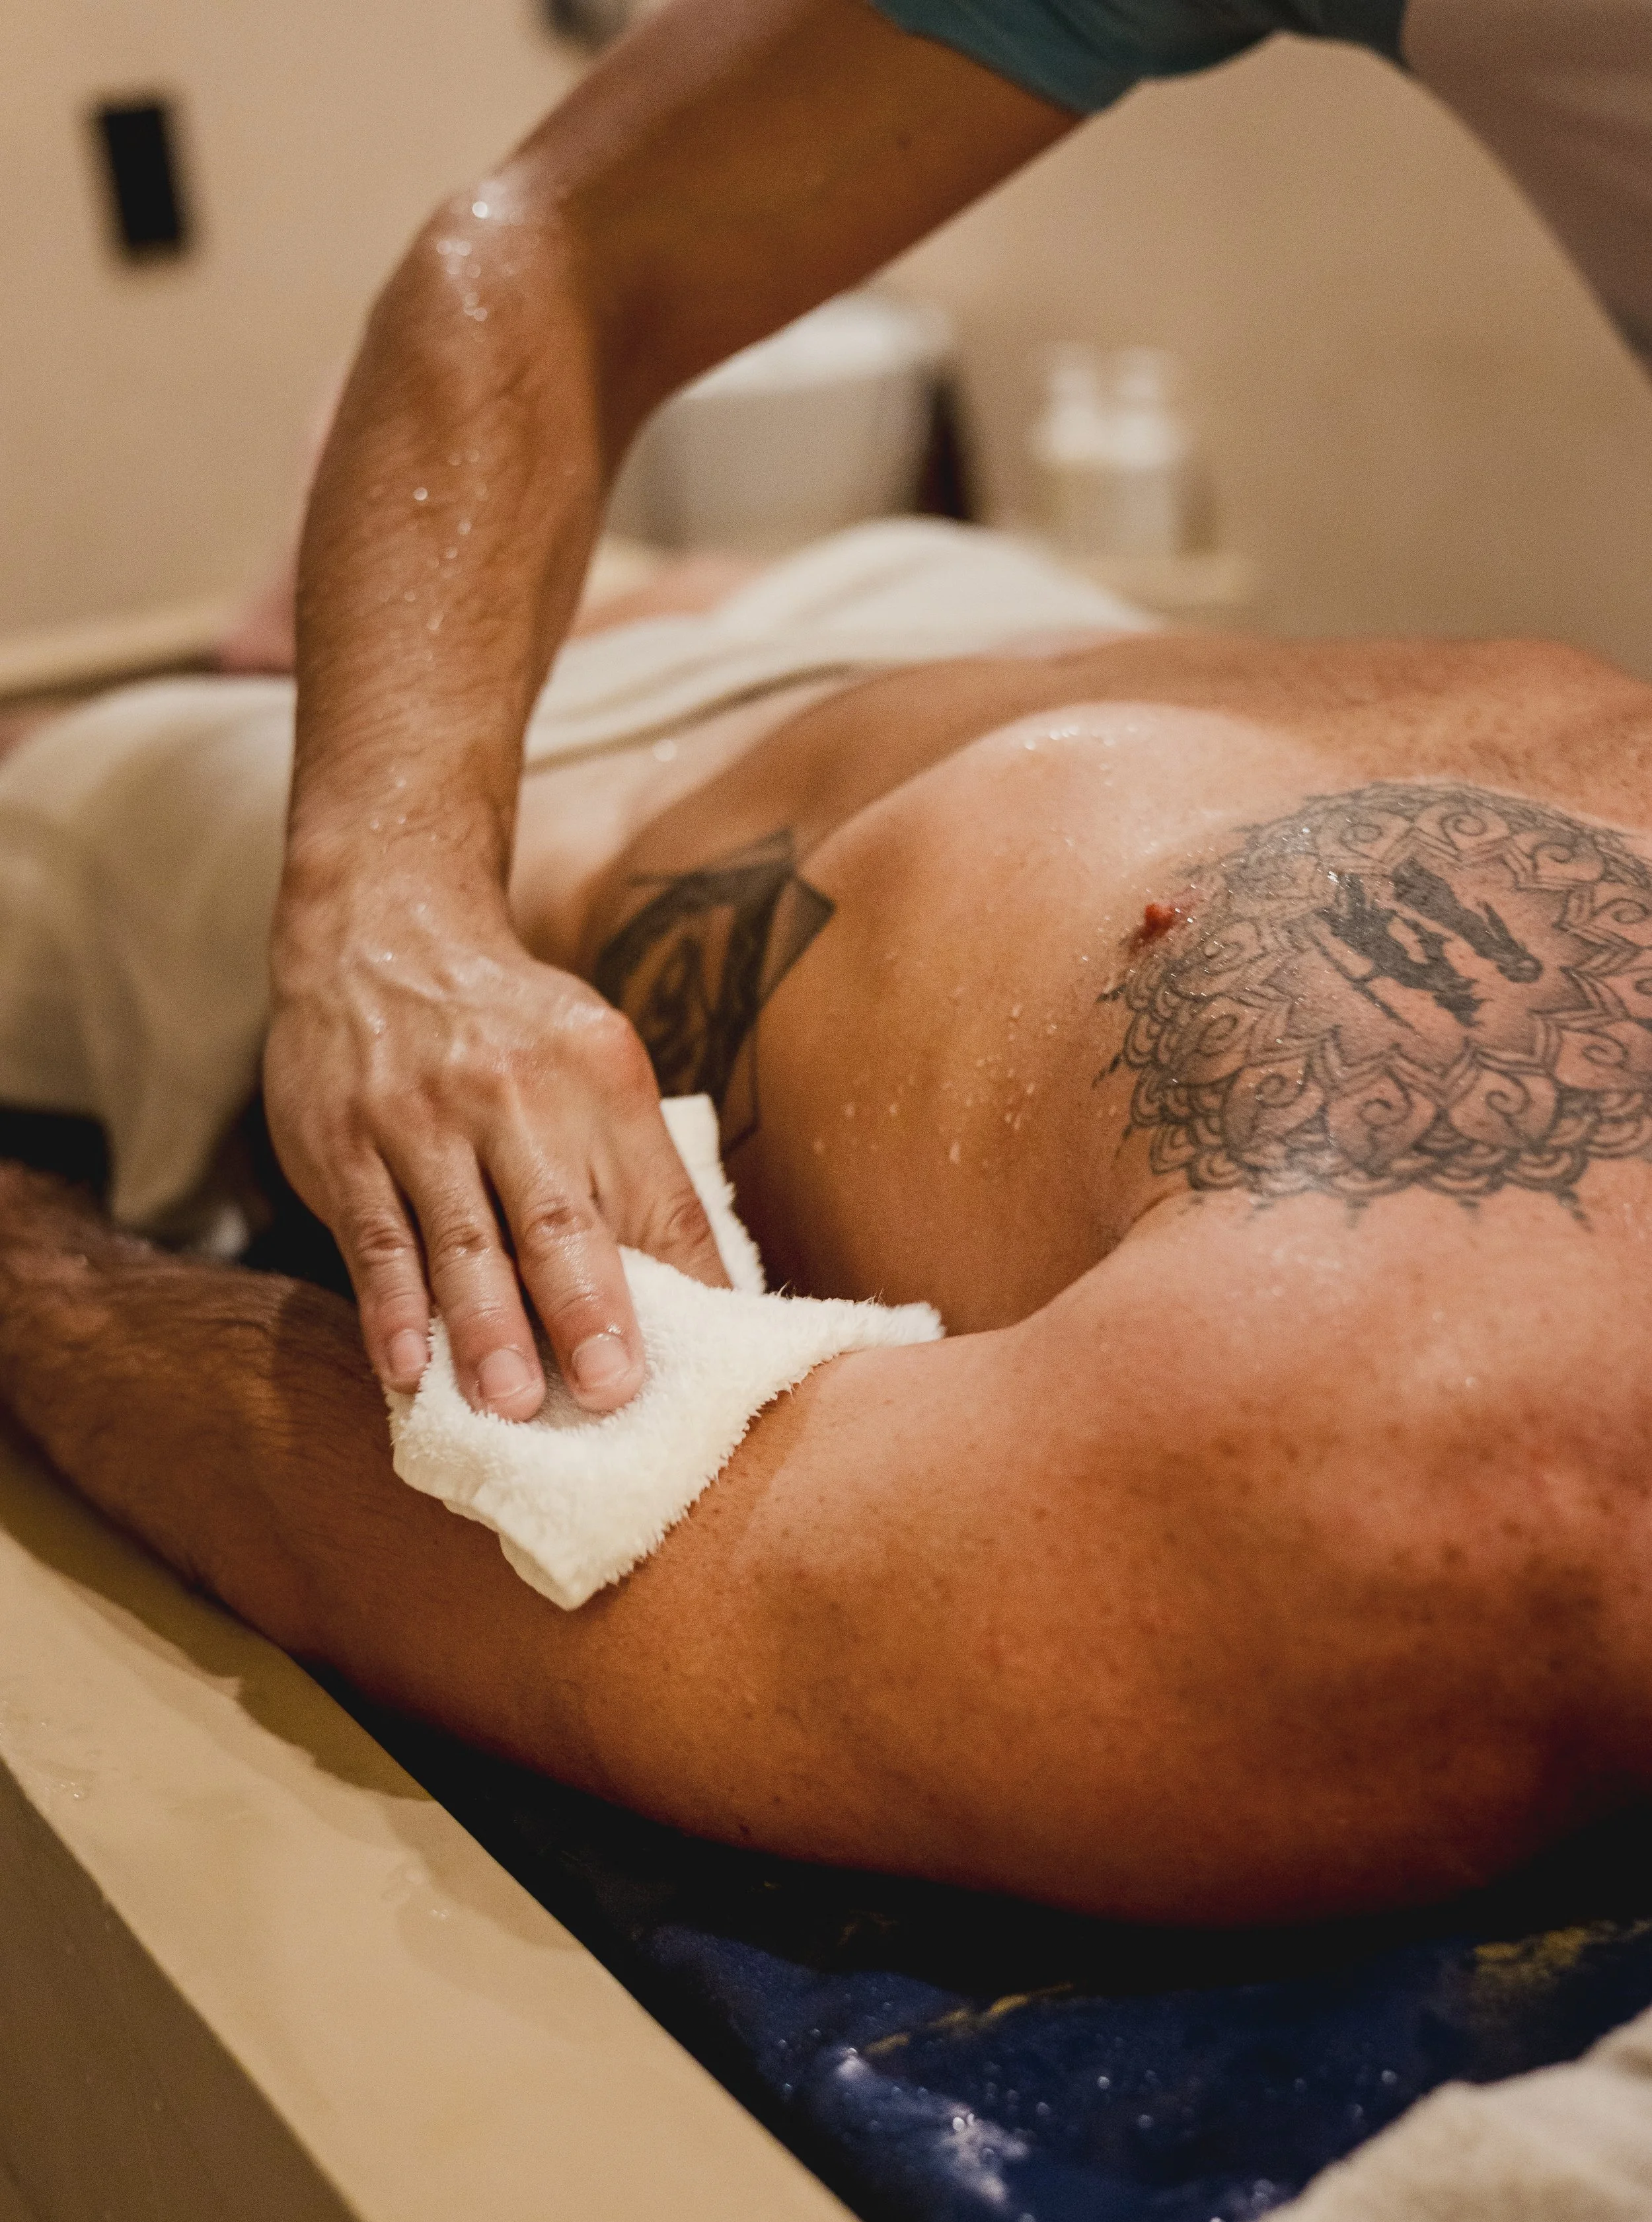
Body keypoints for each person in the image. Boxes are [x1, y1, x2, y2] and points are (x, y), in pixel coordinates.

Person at [3, 553, 1651, 1925]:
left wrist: (36, 1268)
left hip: (605, 815)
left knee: (63, 755)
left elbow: (566, 1511)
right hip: (977, 612)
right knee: (526, 586)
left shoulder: (1412, 1502)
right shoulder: (1426, 1461)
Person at [268, 0, 1652, 1429]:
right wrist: (375, 914)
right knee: (749, 593)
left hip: (768, 712)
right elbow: (548, 250)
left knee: (761, 601)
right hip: (964, 627)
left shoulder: (1449, 1367)